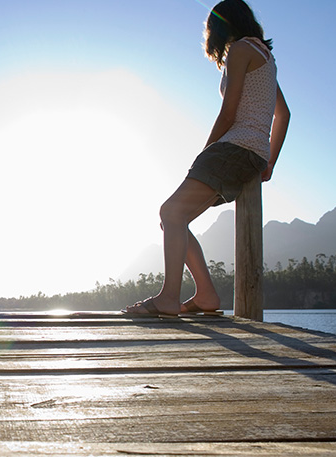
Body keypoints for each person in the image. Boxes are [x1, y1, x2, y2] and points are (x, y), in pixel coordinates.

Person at [124, 0, 290, 316]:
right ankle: (206, 296)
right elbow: (284, 115)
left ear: (221, 26)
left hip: (233, 149)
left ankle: (168, 298)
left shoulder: (241, 50)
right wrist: (270, 161)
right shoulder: (267, 59)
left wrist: (206, 150)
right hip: (250, 154)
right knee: (173, 217)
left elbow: (229, 113)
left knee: (170, 212)